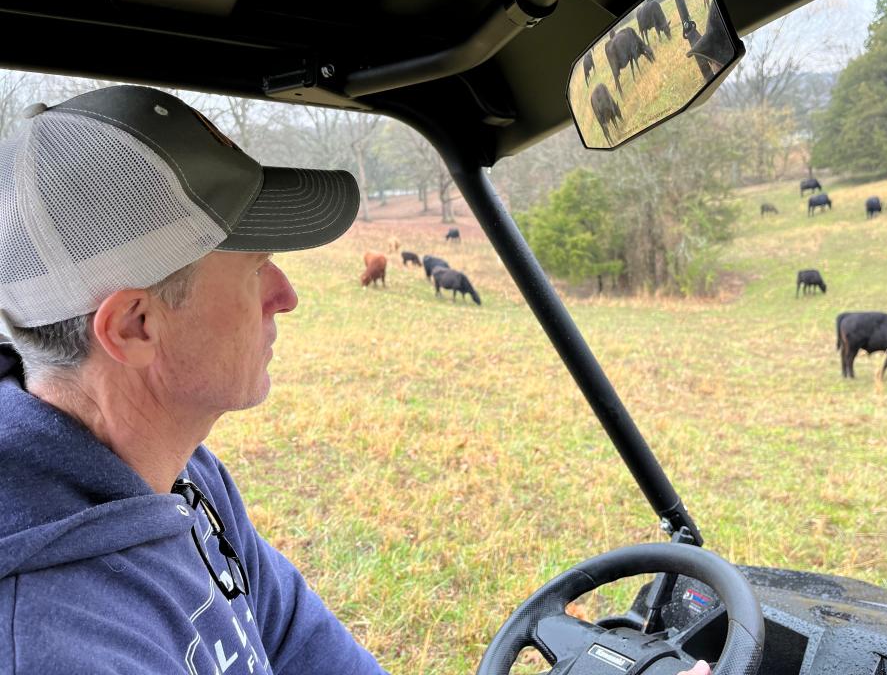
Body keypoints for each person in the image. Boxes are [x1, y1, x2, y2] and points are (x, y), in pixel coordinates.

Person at [0, 84, 712, 675]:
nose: (286, 295)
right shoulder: (51, 646)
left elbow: (316, 655)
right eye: (254, 267)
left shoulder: (182, 477)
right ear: (134, 327)